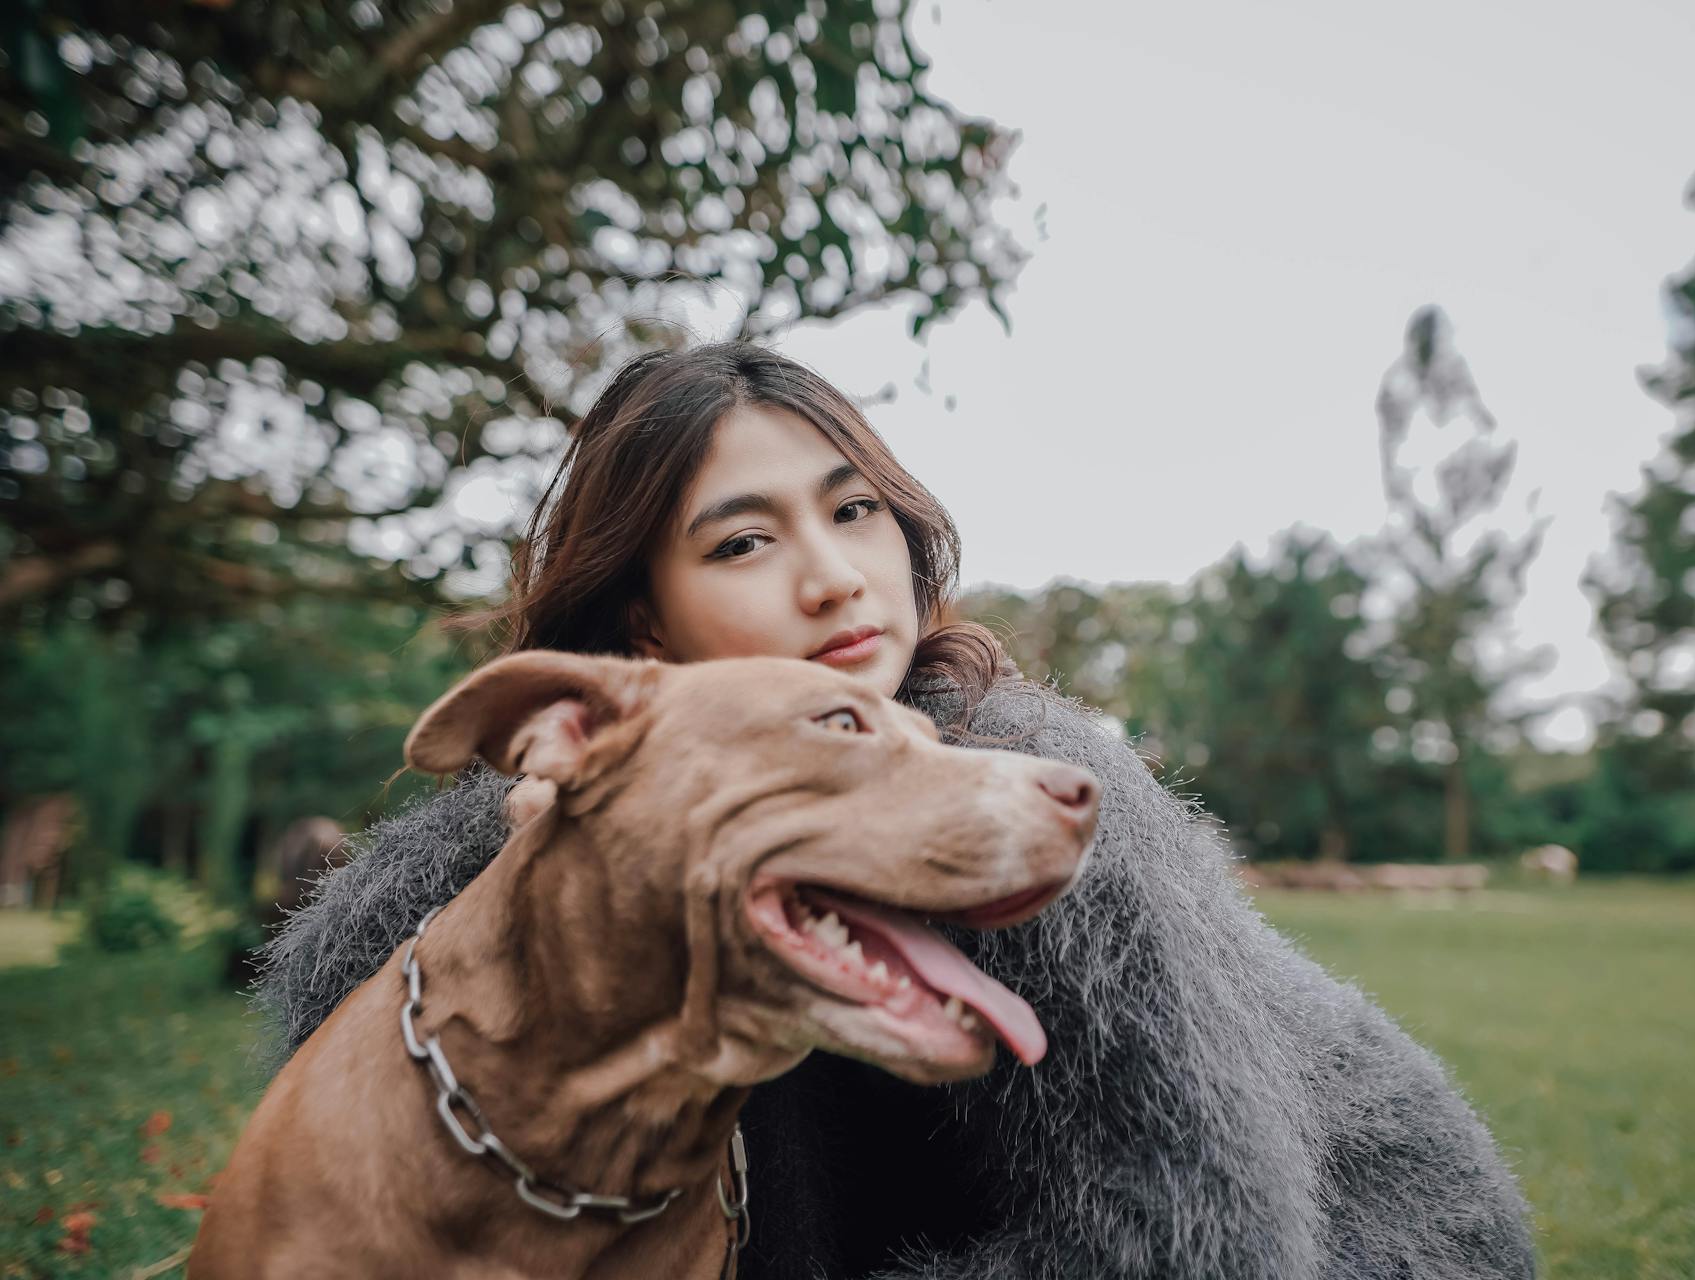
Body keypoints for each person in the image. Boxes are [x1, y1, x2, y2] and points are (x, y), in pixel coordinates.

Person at [253, 341, 1536, 1279]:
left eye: (855, 510)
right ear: (644, 619)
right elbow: (344, 1013)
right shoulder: (577, 779)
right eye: (742, 542)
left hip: (1365, 1243)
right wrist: (575, 825)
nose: (834, 578)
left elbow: (1186, 1240)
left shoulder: (1023, 776)